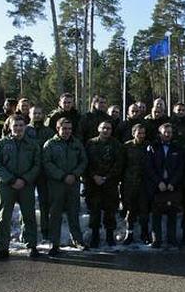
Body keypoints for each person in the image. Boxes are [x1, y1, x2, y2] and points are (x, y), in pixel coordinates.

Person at [0, 114, 41, 261]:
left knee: (28, 215)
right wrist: (11, 179)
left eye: (21, 125)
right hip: (7, 185)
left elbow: (37, 165)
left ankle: (31, 245)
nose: (18, 128)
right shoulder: (0, 144)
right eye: (15, 126)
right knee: (3, 216)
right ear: (10, 127)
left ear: (25, 127)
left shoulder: (32, 145)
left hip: (26, 185)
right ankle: (2, 247)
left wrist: (25, 179)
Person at [42, 118, 88, 256]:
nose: (67, 131)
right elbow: (47, 163)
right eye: (64, 128)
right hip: (57, 183)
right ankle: (54, 243)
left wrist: (75, 174)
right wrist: (62, 176)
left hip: (73, 183)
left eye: (69, 129)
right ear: (58, 128)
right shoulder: (50, 144)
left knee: (74, 212)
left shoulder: (76, 143)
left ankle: (78, 240)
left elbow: (83, 160)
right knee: (55, 214)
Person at [84, 121, 124, 248]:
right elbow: (86, 162)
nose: (106, 130)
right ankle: (95, 236)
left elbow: (119, 163)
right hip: (93, 183)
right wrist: (94, 176)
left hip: (110, 183)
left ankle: (109, 236)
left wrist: (107, 177)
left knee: (110, 210)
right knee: (94, 211)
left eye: (108, 128)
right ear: (98, 129)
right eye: (103, 128)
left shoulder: (116, 144)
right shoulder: (90, 143)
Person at [147, 123, 184, 248]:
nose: (167, 134)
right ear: (160, 133)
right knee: (156, 214)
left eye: (170, 132)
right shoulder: (153, 147)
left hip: (172, 186)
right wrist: (159, 182)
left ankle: (172, 239)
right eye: (165, 132)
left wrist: (172, 183)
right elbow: (149, 167)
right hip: (157, 185)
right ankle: (156, 239)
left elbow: (181, 167)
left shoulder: (177, 148)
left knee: (172, 213)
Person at [25, 105, 55, 240]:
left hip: (43, 172)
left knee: (44, 202)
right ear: (30, 115)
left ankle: (45, 229)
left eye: (39, 113)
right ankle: (26, 231)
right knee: (27, 202)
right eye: (34, 113)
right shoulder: (24, 130)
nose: (37, 115)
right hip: (27, 171)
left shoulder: (49, 131)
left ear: (43, 115)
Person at [122, 124, 151, 245]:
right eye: (139, 133)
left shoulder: (148, 146)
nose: (141, 135)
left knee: (144, 210)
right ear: (133, 133)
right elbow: (121, 164)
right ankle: (129, 233)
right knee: (130, 210)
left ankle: (145, 234)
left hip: (144, 183)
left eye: (143, 133)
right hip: (129, 183)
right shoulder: (126, 146)